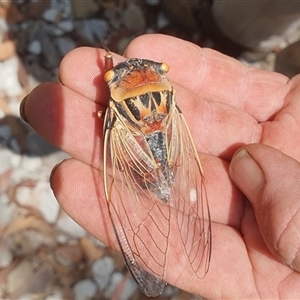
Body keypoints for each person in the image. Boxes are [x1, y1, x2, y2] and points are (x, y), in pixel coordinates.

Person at [19, 34, 300, 299]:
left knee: (110, 178)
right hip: (164, 146)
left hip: (144, 151)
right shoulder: (167, 96)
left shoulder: (115, 102)